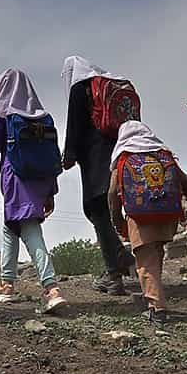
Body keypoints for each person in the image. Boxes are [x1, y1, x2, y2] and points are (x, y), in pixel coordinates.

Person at [0, 69, 67, 314]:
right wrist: (51, 191)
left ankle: (51, 288)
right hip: (40, 180)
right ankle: (6, 283)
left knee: (29, 228)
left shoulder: (1, 117)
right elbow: (52, 156)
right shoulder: (44, 118)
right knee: (12, 225)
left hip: (16, 177)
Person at [108, 121, 187, 326]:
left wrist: (117, 221)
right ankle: (154, 295)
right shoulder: (163, 155)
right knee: (156, 254)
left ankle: (157, 309)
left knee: (146, 262)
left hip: (140, 217)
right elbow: (184, 183)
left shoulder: (124, 158)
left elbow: (113, 194)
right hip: (167, 215)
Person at [61, 55, 136, 295]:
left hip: (95, 159)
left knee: (96, 209)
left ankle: (114, 273)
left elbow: (75, 124)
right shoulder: (112, 84)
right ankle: (122, 257)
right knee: (105, 209)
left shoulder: (80, 88)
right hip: (122, 152)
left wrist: (68, 155)